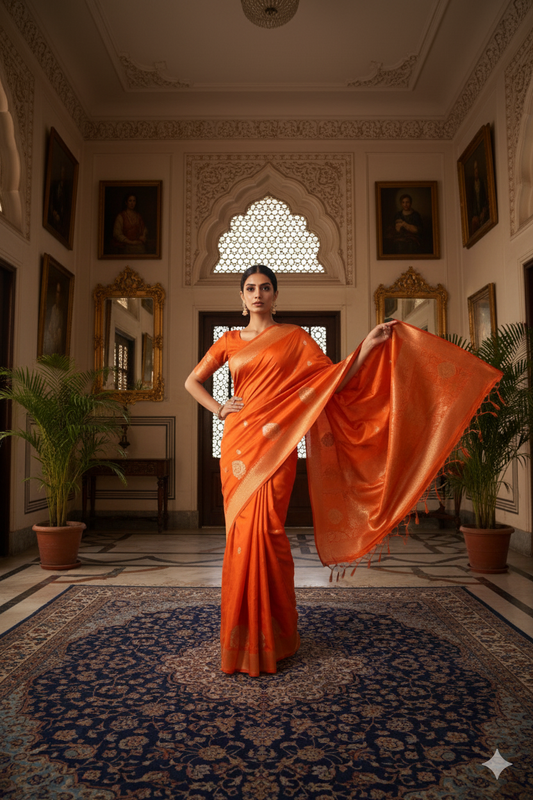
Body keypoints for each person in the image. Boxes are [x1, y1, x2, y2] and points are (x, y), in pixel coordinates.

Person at [185, 265, 501, 677]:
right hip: (238, 447)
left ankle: (276, 637)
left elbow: (333, 379)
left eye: (265, 288)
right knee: (241, 536)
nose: (258, 294)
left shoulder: (296, 339)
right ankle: (241, 637)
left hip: (277, 446)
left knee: (270, 533)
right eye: (250, 289)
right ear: (240, 297)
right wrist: (219, 407)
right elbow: (193, 381)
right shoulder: (227, 341)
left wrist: (368, 346)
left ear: (276, 296)